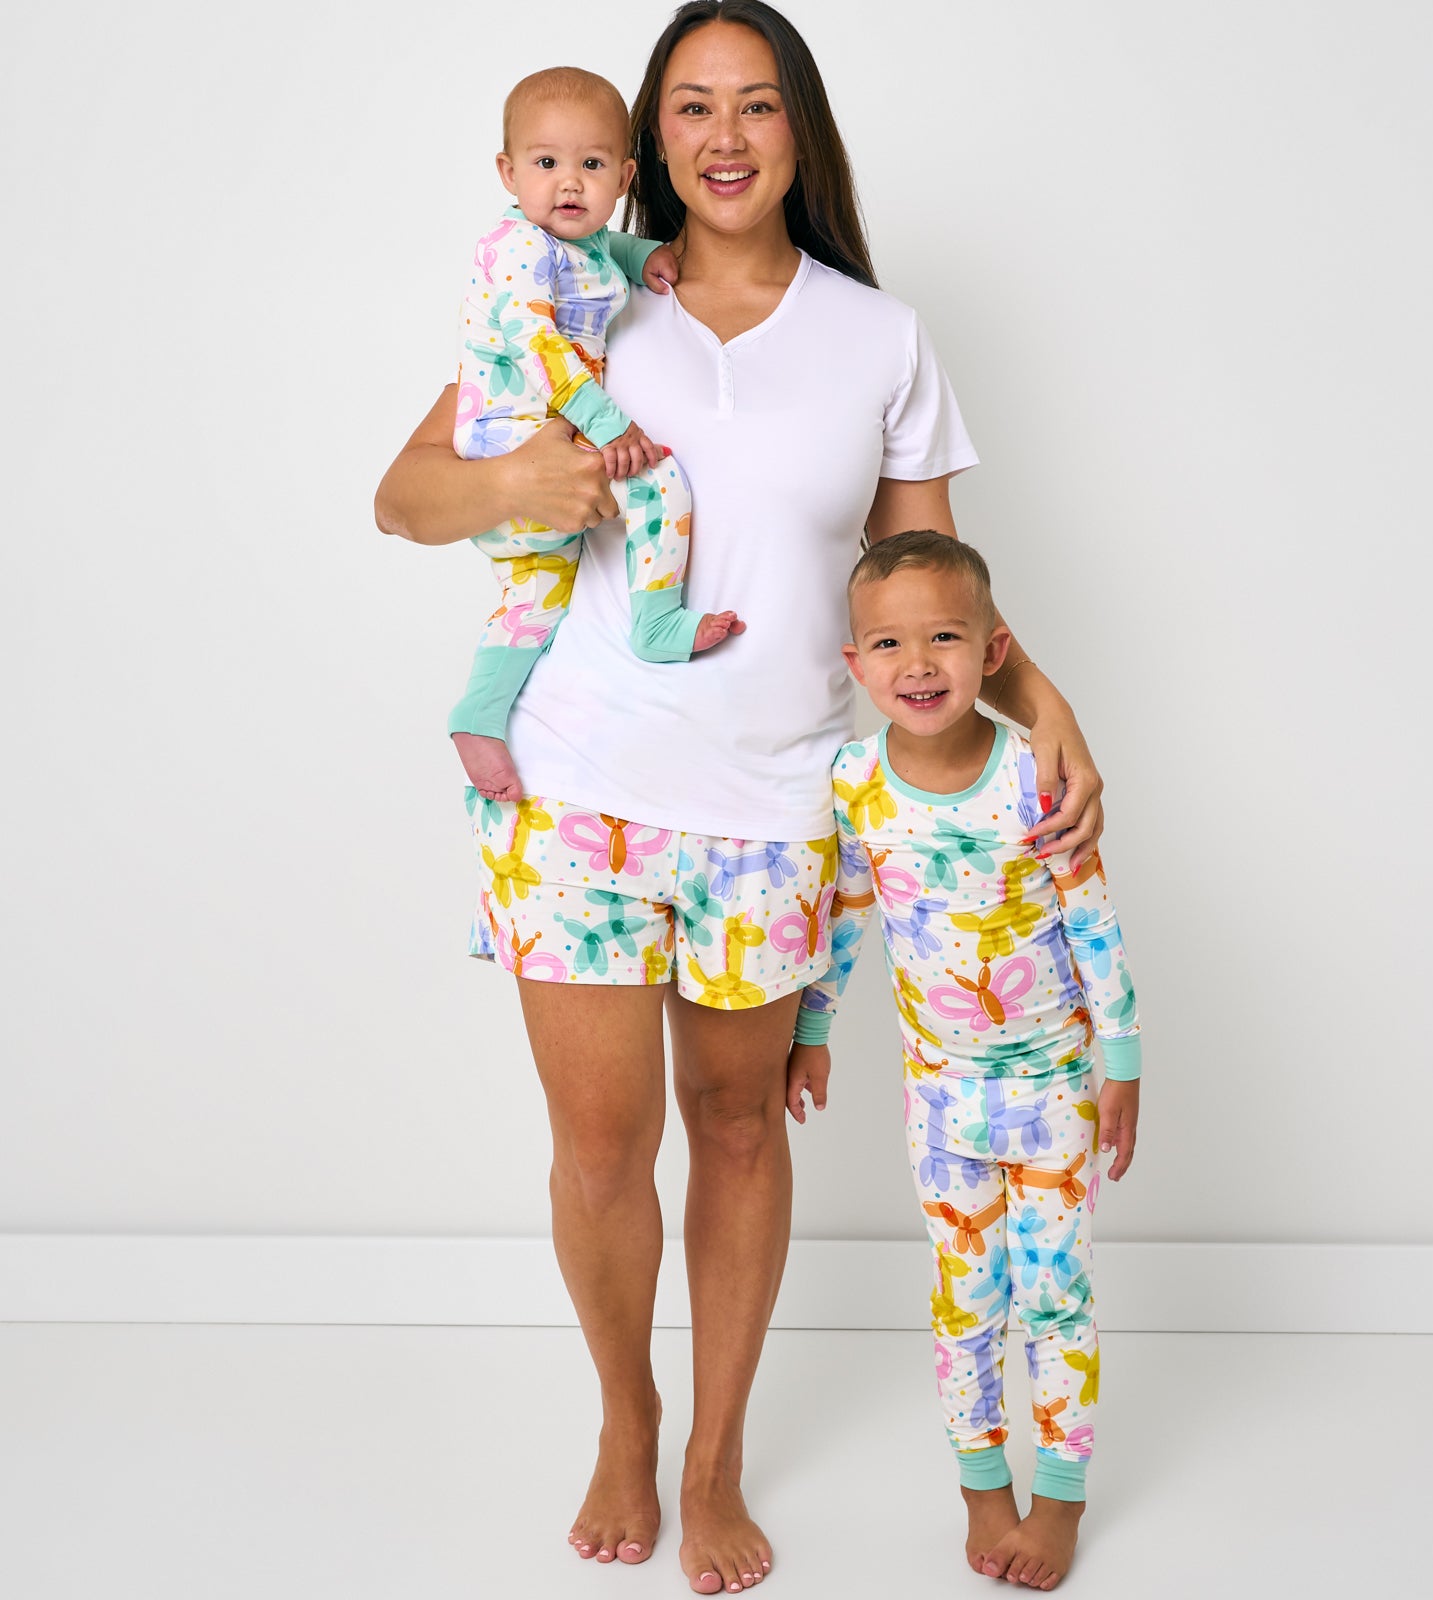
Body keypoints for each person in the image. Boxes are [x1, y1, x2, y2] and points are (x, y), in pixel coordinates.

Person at [374, 3, 1106, 1593]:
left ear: (798, 131)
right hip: (571, 789)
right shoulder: (577, 290)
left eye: (755, 106)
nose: (724, 136)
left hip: (775, 809)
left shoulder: (879, 335)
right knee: (599, 1146)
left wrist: (1037, 695)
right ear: (646, 142)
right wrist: (520, 484)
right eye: (691, 107)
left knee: (736, 1130)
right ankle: (626, 1423)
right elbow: (405, 494)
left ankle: (716, 1457)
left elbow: (924, 584)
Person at [785, 531, 1142, 1591]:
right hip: (940, 1103)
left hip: (1050, 1097)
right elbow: (844, 912)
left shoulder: (1036, 773)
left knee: (1054, 1297)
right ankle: (983, 1487)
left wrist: (1120, 1056)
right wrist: (811, 1031)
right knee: (963, 1299)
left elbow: (1091, 912)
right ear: (855, 667)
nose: (918, 662)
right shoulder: (854, 782)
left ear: (993, 650)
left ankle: (1063, 1498)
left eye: (944, 635)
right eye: (888, 643)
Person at [448, 65, 741, 805]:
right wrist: (614, 430)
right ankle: (658, 621)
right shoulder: (514, 248)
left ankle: (479, 714)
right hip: (515, 452)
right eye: (546, 164)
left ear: (625, 177)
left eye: (592, 164)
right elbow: (539, 349)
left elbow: (609, 253)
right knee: (660, 482)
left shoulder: (584, 246)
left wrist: (649, 257)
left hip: (541, 497)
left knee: (534, 603)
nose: (569, 183)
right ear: (508, 172)